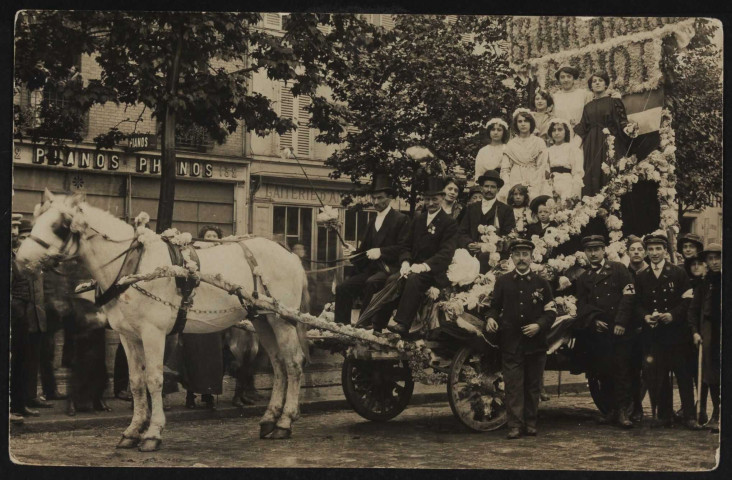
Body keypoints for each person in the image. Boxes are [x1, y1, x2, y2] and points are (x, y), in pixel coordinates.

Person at [485, 238, 557, 439]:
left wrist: (538, 325)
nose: (522, 258)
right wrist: (490, 318)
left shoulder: (542, 283)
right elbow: (494, 307)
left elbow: (551, 312)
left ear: (532, 257)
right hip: (511, 342)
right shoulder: (503, 282)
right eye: (517, 255)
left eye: (525, 254)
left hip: (536, 343)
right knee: (513, 385)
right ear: (512, 258)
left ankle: (531, 422)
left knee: (533, 385)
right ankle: (515, 425)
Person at [634, 233, 701, 430]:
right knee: (659, 374)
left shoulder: (678, 273)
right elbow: (636, 304)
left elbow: (687, 300)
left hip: (677, 334)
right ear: (646, 252)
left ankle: (689, 415)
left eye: (658, 249)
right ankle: (664, 415)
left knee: (683, 374)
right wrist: (645, 317)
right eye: (651, 249)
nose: (654, 253)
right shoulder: (642, 276)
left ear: (665, 251)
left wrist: (672, 315)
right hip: (654, 335)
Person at [575, 235, 636, 428]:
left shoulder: (618, 269)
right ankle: (609, 410)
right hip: (599, 332)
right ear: (585, 253)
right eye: (589, 250)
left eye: (597, 249)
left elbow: (629, 296)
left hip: (619, 330)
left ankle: (623, 412)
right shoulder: (584, 277)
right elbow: (581, 304)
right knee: (603, 371)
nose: (593, 253)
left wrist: (620, 322)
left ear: (604, 251)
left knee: (621, 371)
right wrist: (593, 321)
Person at [336, 173, 410, 331]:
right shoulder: (371, 222)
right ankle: (340, 328)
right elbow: (364, 252)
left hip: (390, 270)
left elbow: (403, 247)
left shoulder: (400, 219)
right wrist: (354, 253)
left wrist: (381, 252)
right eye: (374, 198)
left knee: (371, 283)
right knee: (343, 287)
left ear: (389, 197)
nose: (375, 202)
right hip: (371, 270)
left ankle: (365, 325)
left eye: (380, 198)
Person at [386, 177, 458, 336]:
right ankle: (380, 323)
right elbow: (406, 245)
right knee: (393, 279)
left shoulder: (449, 223)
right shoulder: (418, 219)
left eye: (434, 199)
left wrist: (424, 266)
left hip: (434, 272)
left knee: (413, 280)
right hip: (413, 267)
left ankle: (403, 324)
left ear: (442, 198)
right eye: (427, 199)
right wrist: (405, 261)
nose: (430, 203)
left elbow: (446, 253)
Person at [180, 225, 226, 410]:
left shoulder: (224, 257)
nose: (212, 238)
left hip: (215, 313)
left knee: (213, 356)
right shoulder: (193, 256)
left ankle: (208, 393)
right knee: (192, 355)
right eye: (209, 236)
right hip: (197, 310)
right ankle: (190, 395)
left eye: (215, 235)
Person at [11, 218, 50, 418]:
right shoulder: (16, 258)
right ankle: (21, 399)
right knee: (19, 360)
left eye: (28, 236)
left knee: (32, 358)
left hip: (36, 315)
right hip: (20, 316)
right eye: (23, 236)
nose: (25, 240)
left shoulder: (36, 259)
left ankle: (30, 395)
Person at [574, 72, 632, 197]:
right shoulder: (587, 107)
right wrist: (573, 147)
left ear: (606, 84)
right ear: (591, 87)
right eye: (594, 81)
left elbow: (622, 120)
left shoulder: (614, 101)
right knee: (592, 172)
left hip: (609, 141)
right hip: (592, 144)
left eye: (600, 80)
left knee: (609, 171)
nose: (597, 83)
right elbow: (583, 127)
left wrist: (627, 128)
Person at [687, 243, 721, 433]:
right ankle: (717, 413)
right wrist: (695, 331)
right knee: (711, 374)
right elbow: (693, 310)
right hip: (708, 333)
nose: (715, 262)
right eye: (711, 258)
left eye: (718, 258)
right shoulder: (704, 283)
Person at [458, 171, 516, 273]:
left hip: (494, 257)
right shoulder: (471, 208)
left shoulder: (506, 210)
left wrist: (485, 247)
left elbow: (509, 236)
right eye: (486, 186)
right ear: (481, 188)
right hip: (470, 254)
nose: (489, 190)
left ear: (498, 189)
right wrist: (468, 244)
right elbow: (462, 232)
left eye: (493, 187)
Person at [625, 235, 650, 423]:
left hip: (649, 327)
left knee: (651, 369)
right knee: (632, 370)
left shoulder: (650, 273)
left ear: (645, 253)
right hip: (629, 328)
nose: (636, 252)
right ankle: (636, 407)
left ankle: (661, 410)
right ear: (627, 253)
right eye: (633, 249)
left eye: (640, 249)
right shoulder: (623, 273)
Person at [502, 108, 551, 200]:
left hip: (534, 177)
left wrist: (535, 184)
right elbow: (505, 168)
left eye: (526, 121)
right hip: (515, 177)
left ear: (531, 123)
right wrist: (507, 185)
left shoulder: (539, 142)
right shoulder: (511, 144)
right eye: (520, 121)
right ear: (516, 124)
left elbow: (542, 166)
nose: (523, 124)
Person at [10, 215, 31, 424]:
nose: (15, 233)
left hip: (21, 312)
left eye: (17, 229)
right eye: (12, 228)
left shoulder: (18, 255)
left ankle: (18, 404)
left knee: (20, 360)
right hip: (13, 311)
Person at [551, 65, 592, 146]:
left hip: (581, 136)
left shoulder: (584, 94)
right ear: (559, 80)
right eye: (562, 77)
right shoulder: (555, 97)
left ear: (574, 79)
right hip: (561, 137)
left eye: (569, 76)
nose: (566, 80)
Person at [546, 118, 584, 203]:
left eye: (560, 130)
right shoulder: (548, 150)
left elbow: (577, 172)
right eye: (553, 130)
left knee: (565, 207)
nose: (556, 133)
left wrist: (575, 190)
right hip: (552, 183)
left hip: (567, 182)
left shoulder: (572, 149)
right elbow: (546, 170)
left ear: (566, 131)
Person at [474, 118, 510, 189]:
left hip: (504, 185)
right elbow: (479, 173)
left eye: (499, 130)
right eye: (493, 130)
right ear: (489, 132)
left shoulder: (507, 149)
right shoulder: (483, 151)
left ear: (504, 132)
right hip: (486, 186)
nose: (495, 132)